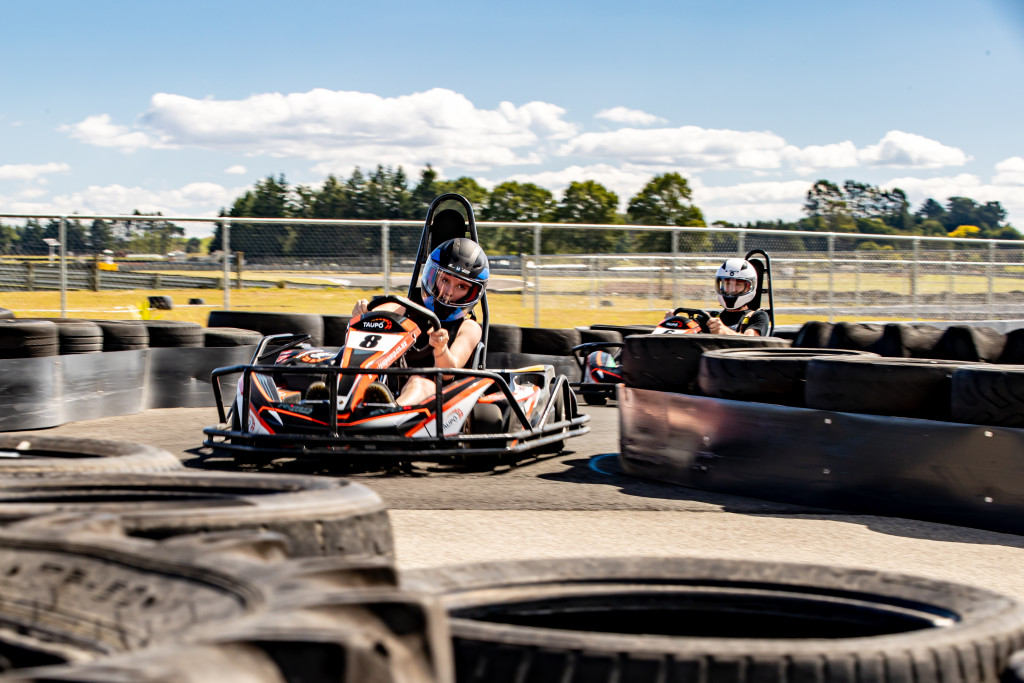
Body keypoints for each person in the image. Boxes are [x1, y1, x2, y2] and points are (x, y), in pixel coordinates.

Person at [352, 237, 488, 406]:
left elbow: (448, 372)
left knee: (419, 383)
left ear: (473, 293)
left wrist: (441, 348)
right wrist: (363, 313)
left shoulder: (469, 327)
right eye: (445, 280)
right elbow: (377, 314)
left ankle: (389, 412)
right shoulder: (407, 307)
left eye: (461, 287)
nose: (448, 292)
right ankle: (335, 400)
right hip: (392, 385)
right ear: (432, 276)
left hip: (440, 401)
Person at [666, 257, 770, 336]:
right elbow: (688, 333)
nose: (732, 290)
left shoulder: (758, 316)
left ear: (749, 287)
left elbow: (751, 341)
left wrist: (724, 332)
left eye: (738, 284)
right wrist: (673, 322)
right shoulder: (710, 317)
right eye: (727, 284)